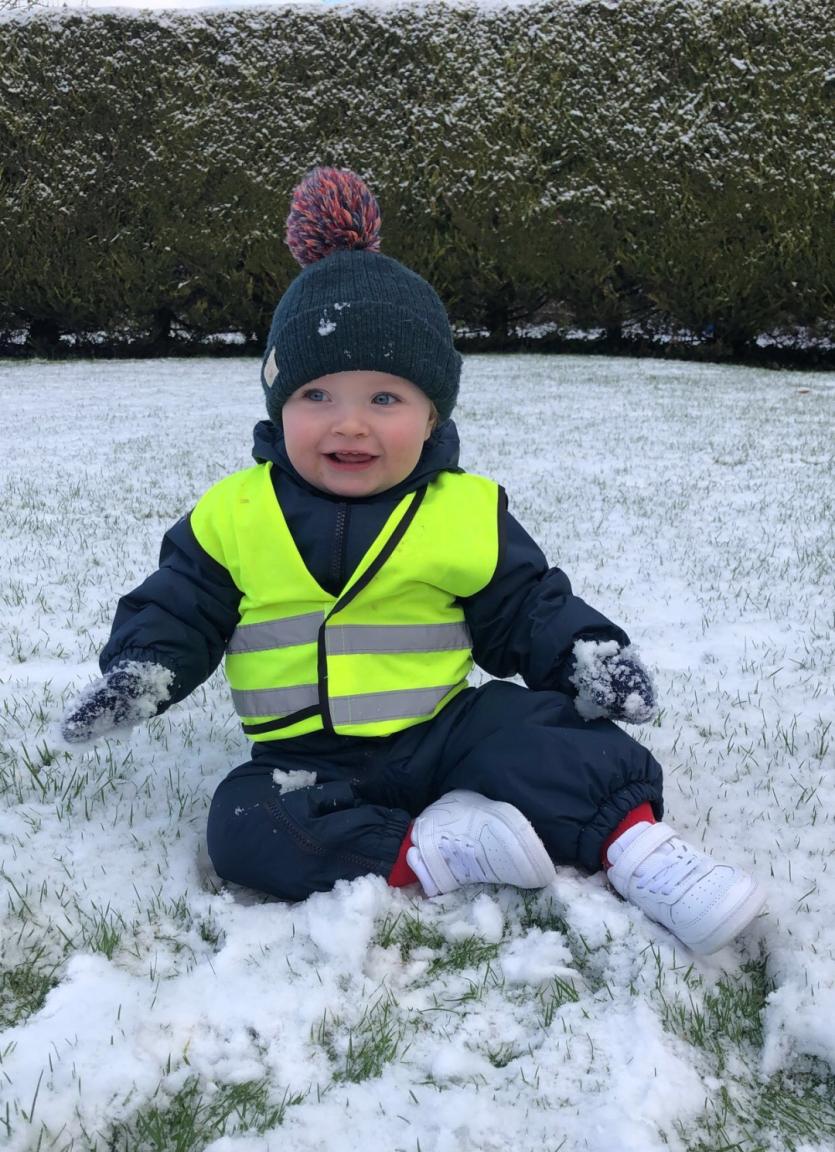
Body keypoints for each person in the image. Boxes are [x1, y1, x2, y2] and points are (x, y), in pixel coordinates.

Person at [61, 167, 766, 957]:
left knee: (549, 736)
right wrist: (141, 670)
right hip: (309, 760)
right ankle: (431, 855)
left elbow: (525, 604)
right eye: (316, 396)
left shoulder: (460, 511)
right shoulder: (235, 512)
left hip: (445, 727)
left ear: (432, 415)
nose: (348, 424)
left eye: (385, 400)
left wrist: (582, 655)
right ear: (277, 404)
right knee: (245, 825)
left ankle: (641, 852)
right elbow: (180, 603)